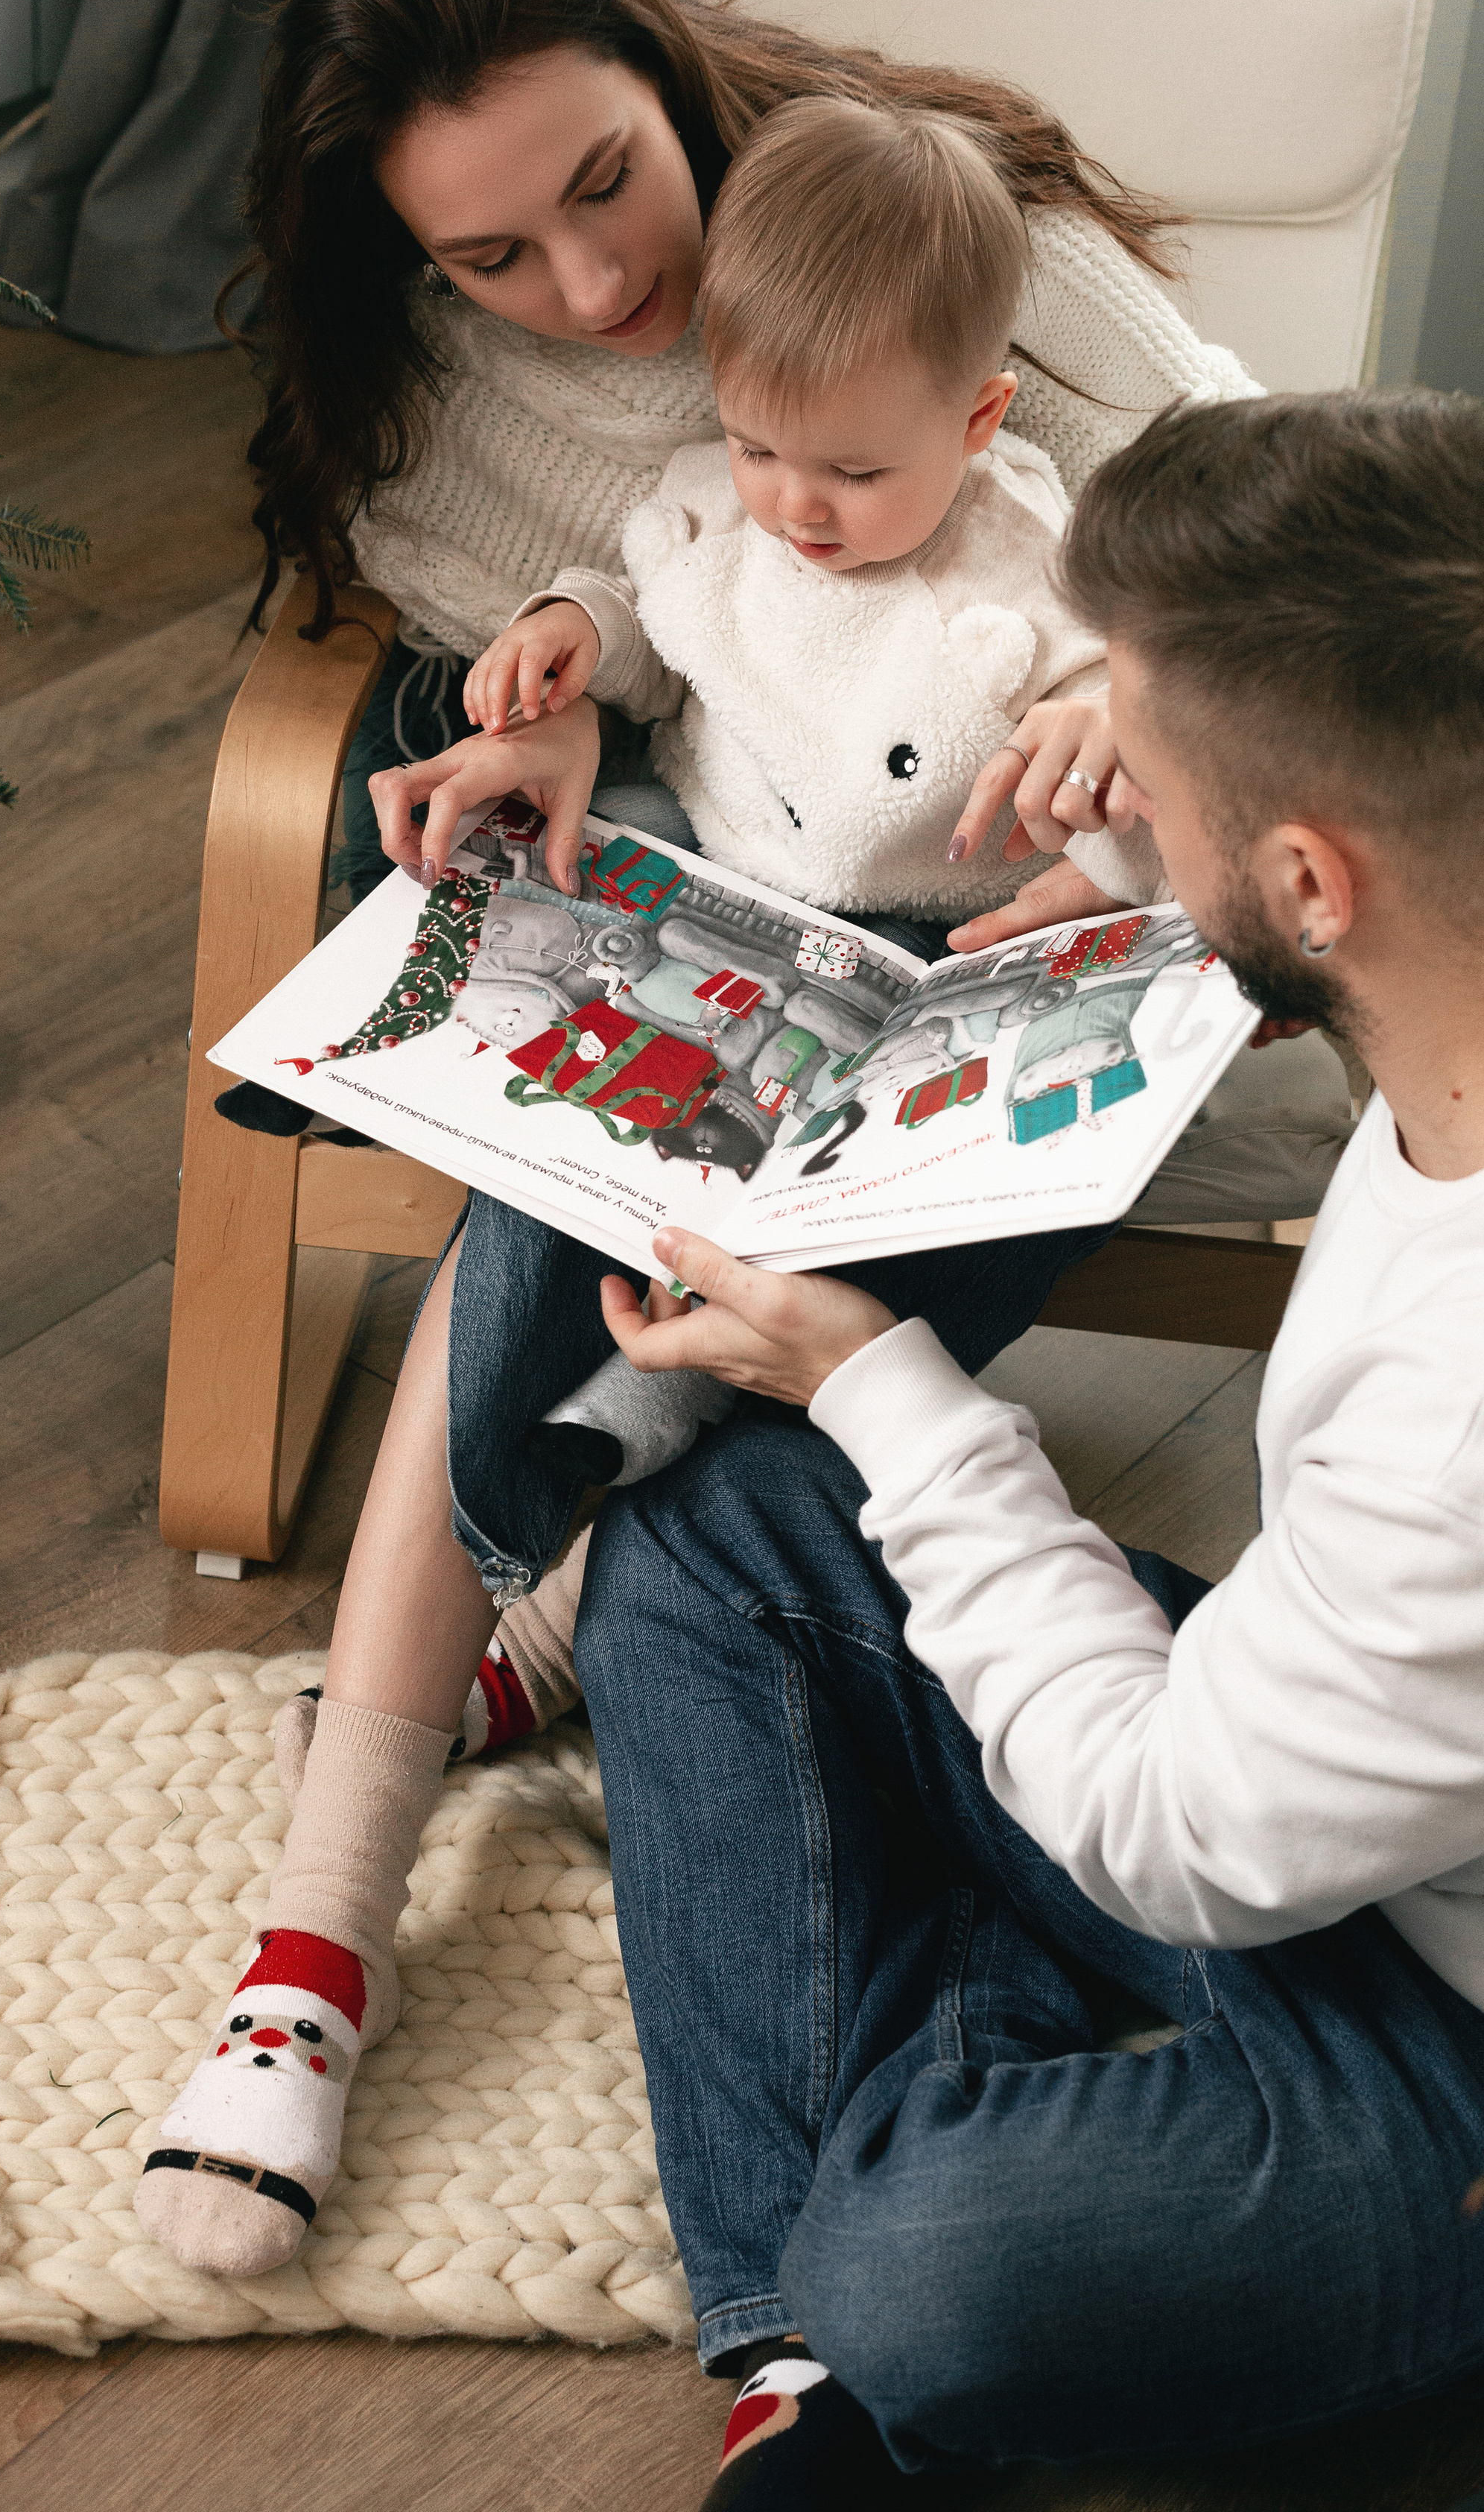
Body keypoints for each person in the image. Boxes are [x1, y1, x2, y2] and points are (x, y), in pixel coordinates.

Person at [134, 0, 1351, 2282]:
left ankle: (461, 1746)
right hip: (730, 875)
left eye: (607, 184)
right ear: (404, 262)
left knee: (661, 1191)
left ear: (659, 65)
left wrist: (1150, 677)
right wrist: (552, 729)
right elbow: (666, 627)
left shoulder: (913, 222)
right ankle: (317, 1948)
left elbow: (1296, 508)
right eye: (491, 259)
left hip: (1066, 896)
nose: (591, 290)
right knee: (578, 1110)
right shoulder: (443, 413)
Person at [571, 389, 1484, 2506]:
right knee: (710, 1529)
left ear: (1311, 874)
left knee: (933, 2268)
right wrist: (1139, 804)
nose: (1100, 762)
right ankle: (804, 2367)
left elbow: (1165, 1826)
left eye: (1150, 760)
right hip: (1428, 1760)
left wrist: (876, 1379)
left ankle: (820, 2324)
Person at [448, 92, 1162, 1499]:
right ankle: (498, 1357)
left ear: (978, 416)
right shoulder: (720, 501)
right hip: (722, 891)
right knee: (543, 944)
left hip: (928, 941)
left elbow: (1122, 729)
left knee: (932, 1202)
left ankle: (697, 1407)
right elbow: (665, 626)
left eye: (855, 470)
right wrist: (575, 628)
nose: (798, 509)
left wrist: (1096, 720)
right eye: (762, 447)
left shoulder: (1030, 561)